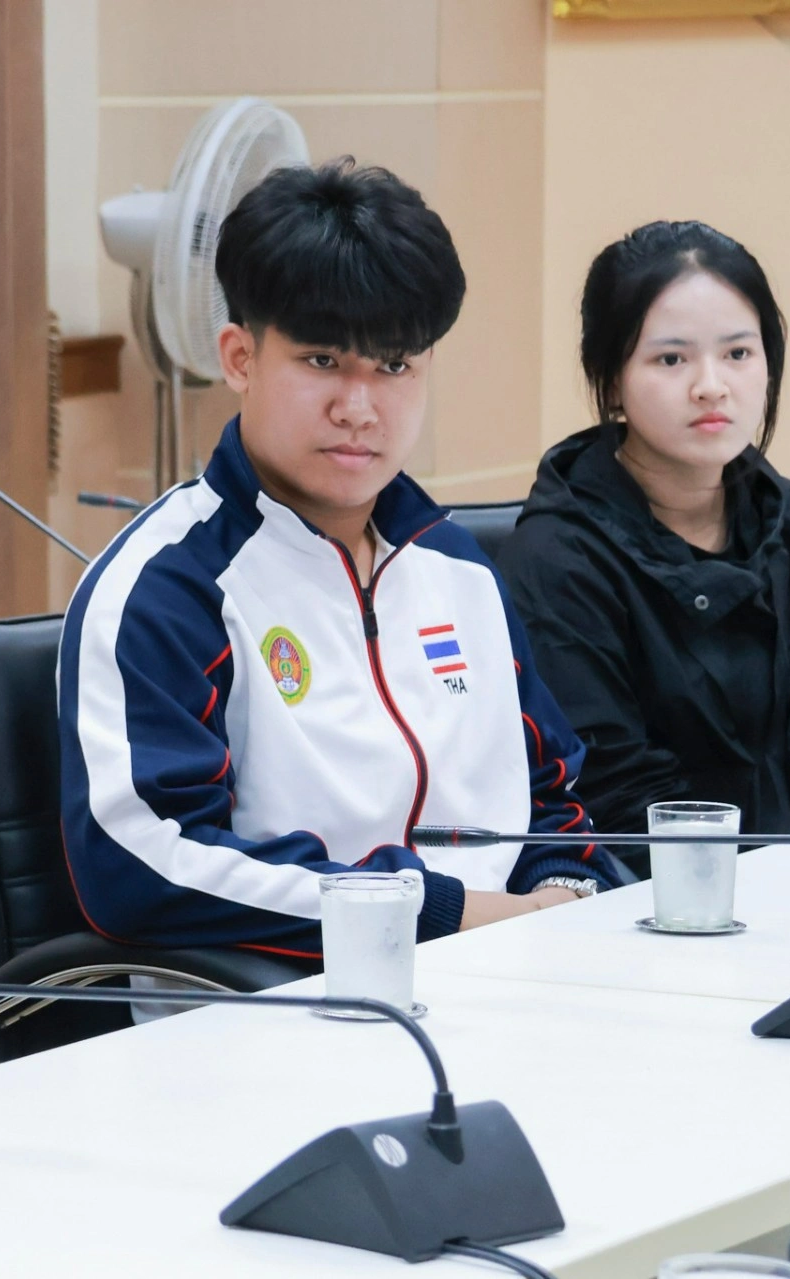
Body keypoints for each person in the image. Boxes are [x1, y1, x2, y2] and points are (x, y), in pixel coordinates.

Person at [57, 160, 624, 956]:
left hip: (507, 978)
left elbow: (550, 797)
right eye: (322, 361)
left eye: (394, 366)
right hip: (290, 1006)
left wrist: (566, 890)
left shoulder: (457, 567)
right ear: (240, 358)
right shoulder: (166, 589)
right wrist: (433, 912)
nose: (359, 408)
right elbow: (143, 868)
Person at [500, 221, 790, 851]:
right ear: (611, 381)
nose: (712, 386)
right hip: (663, 892)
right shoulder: (557, 561)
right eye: (672, 359)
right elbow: (612, 788)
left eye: (738, 354)